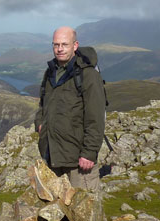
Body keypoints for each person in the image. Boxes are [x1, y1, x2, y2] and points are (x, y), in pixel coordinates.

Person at [34, 26, 106, 191]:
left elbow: (95, 118)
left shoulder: (88, 76)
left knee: (84, 213)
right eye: (56, 45)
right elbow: (43, 105)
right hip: (52, 156)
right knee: (55, 212)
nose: (59, 49)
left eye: (64, 44)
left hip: (77, 162)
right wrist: (40, 123)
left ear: (75, 45)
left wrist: (89, 153)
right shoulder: (51, 72)